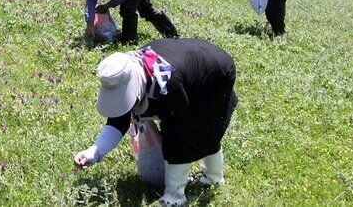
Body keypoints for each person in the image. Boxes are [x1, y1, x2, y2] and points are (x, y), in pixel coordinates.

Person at [74, 38, 238, 206]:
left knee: (194, 132)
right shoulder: (130, 72)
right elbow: (118, 120)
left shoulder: (167, 83)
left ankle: (175, 197)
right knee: (198, 134)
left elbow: (178, 130)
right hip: (193, 64)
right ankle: (212, 179)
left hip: (216, 74)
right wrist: (95, 151)